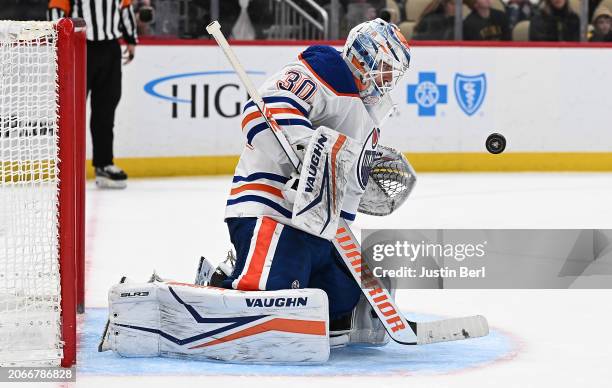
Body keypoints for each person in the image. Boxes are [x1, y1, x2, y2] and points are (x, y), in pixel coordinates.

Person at [223, 18, 411, 343]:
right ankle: (228, 281)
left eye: (392, 75)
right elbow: (261, 114)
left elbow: (346, 197)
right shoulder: (326, 70)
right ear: (362, 57)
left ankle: (251, 274)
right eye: (383, 68)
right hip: (273, 212)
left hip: (320, 231)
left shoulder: (370, 124)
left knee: (341, 299)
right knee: (276, 294)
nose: (386, 81)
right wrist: (309, 154)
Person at [48, 0, 137, 189]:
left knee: (105, 111)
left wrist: (131, 40)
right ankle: (66, 167)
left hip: (110, 49)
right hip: (80, 48)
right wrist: (62, 44)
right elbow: (56, 10)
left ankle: (104, 164)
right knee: (71, 111)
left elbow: (125, 8)